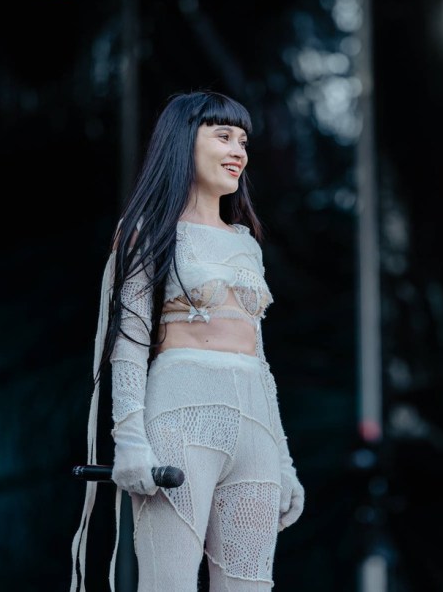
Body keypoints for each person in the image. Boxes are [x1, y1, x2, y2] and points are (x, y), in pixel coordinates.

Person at [70, 90, 305, 591]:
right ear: (184, 142)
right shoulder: (148, 231)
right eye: (223, 136)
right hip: (180, 417)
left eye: (243, 141)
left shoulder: (246, 243)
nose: (238, 151)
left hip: (254, 429)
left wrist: (283, 460)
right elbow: (130, 339)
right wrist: (130, 438)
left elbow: (260, 358)